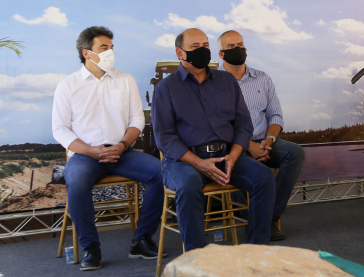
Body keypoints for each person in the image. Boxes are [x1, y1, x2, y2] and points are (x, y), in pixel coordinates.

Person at [51, 26, 165, 271]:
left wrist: (122, 145)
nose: (110, 52)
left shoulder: (125, 79)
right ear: (86, 53)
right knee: (77, 180)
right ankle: (91, 247)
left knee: (161, 172)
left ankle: (142, 239)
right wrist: (91, 151)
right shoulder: (68, 85)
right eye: (104, 48)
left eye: (112, 47)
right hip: (85, 155)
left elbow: (137, 120)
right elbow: (60, 129)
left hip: (121, 152)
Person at [152, 28, 276, 250]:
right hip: (184, 160)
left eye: (206, 46)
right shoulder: (166, 88)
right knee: (188, 186)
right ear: (180, 53)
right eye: (195, 47)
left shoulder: (226, 81)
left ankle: (258, 252)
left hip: (227, 154)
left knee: (263, 177)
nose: (203, 51)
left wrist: (235, 155)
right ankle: (198, 261)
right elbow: (165, 137)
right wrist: (199, 163)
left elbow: (243, 124)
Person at [217, 30, 305, 241]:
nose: (238, 49)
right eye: (231, 47)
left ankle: (270, 217)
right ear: (220, 54)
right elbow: (219, 124)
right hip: (233, 144)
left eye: (240, 45)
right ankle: (253, 219)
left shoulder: (262, 78)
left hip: (263, 140)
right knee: (241, 164)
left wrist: (268, 141)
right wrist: (248, 146)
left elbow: (275, 115)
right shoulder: (214, 82)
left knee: (295, 153)